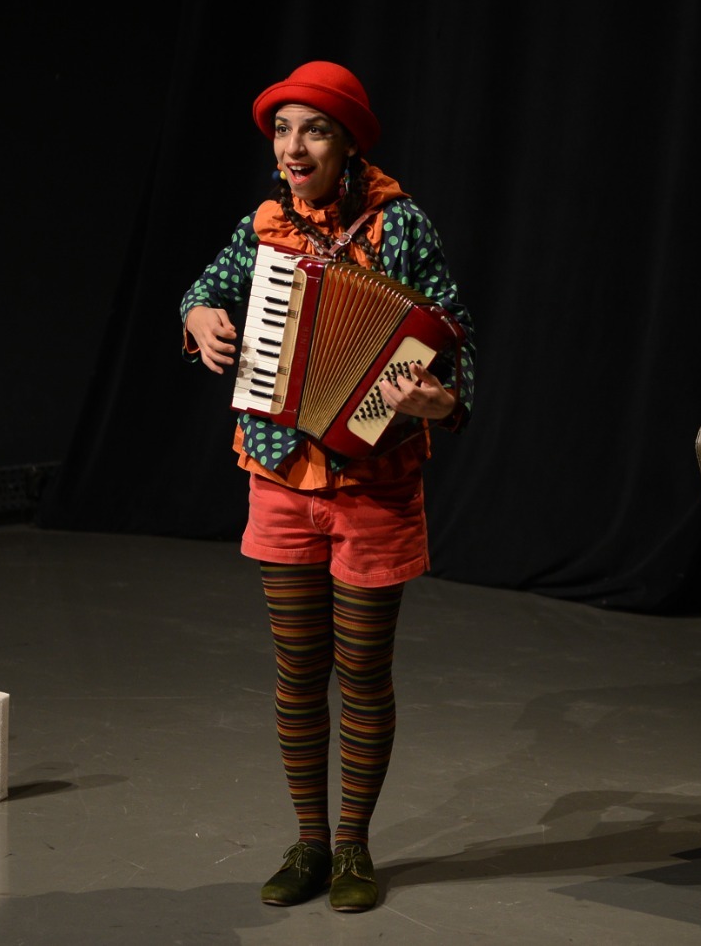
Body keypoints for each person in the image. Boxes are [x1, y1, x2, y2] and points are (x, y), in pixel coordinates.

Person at [179, 60, 476, 913]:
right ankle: (309, 840)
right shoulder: (266, 225)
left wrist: (442, 397)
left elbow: (454, 335)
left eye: (313, 129)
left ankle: (353, 843)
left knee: (364, 671)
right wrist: (199, 317)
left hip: (375, 481)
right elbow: (203, 291)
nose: (293, 146)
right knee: (299, 670)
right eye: (282, 130)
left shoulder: (400, 224)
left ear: (347, 142)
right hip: (281, 471)